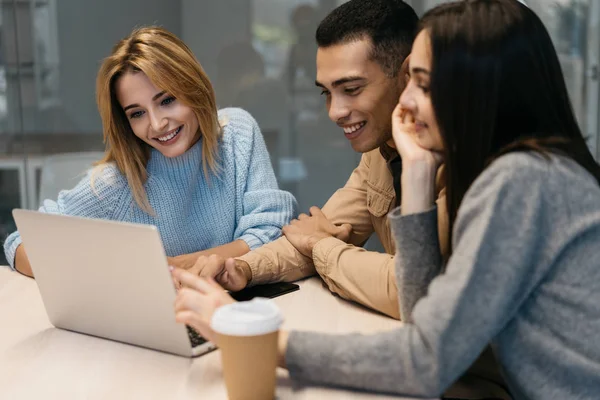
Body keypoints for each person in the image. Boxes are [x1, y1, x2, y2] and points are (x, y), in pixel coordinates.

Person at [172, 0, 600, 398]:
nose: (407, 101)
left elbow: (425, 357)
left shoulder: (521, 181)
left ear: (480, 92)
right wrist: (416, 179)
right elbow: (423, 313)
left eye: (424, 83)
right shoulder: (497, 168)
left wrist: (252, 337)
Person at [3, 26, 297, 277]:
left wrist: (174, 266)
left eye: (167, 100)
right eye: (137, 113)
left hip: (241, 310)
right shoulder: (116, 183)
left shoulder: (237, 134)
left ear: (193, 88)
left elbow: (270, 229)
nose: (157, 124)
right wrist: (102, 278)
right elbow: (20, 243)